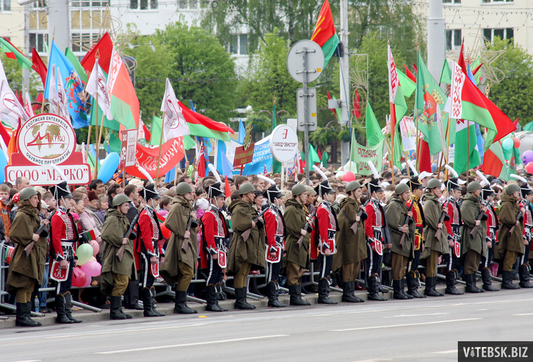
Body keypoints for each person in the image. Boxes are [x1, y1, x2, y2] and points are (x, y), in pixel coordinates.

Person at [6, 187, 47, 327]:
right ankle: (22, 317)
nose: (37, 200)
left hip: (33, 254)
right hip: (24, 255)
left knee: (29, 286)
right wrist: (31, 236)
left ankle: (27, 315)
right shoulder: (22, 214)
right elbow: (14, 234)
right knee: (23, 285)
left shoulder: (32, 214)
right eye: (35, 198)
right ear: (27, 199)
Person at [160, 182, 199, 314]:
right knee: (187, 272)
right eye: (189, 192)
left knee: (187, 273)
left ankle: (181, 303)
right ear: (183, 193)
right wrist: (182, 233)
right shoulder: (177, 206)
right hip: (180, 243)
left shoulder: (187, 206)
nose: (191, 194)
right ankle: (180, 304)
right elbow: (169, 223)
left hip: (189, 242)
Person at [227, 183, 265, 310]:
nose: (254, 195)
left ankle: (243, 299)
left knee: (245, 271)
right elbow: (238, 225)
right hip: (242, 242)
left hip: (250, 242)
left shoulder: (248, 207)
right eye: (252, 193)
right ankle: (240, 300)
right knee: (241, 272)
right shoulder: (239, 208)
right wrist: (252, 223)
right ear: (244, 194)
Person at [49, 181, 82, 323]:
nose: (70, 201)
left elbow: (72, 238)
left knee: (68, 284)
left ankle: (67, 313)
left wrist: (73, 255)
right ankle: (61, 314)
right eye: (68, 199)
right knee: (60, 284)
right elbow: (56, 239)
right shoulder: (57, 216)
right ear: (61, 199)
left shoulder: (67, 215)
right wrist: (60, 257)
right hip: (61, 253)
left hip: (69, 251)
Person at [100, 194, 137, 319]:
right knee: (121, 281)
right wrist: (121, 240)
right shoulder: (113, 218)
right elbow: (106, 234)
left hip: (124, 252)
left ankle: (118, 309)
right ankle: (115, 310)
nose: (128, 208)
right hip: (116, 253)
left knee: (123, 281)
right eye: (125, 205)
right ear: (118, 206)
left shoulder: (122, 217)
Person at [332, 180, 366, 303]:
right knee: (349, 267)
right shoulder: (348, 205)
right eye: (358, 191)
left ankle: (351, 292)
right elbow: (342, 225)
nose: (360, 193)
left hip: (356, 241)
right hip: (349, 241)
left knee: (354, 267)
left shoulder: (355, 204)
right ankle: (347, 293)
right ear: (351, 192)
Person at [135, 184, 165, 317]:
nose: (158, 202)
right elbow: (146, 237)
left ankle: (151, 306)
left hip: (154, 248)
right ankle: (148, 308)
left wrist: (160, 252)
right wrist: (152, 253)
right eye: (156, 199)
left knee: (152, 278)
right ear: (149, 200)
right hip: (148, 250)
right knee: (148, 279)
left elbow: (156, 236)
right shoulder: (145, 215)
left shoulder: (151, 213)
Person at [200, 182, 229, 312]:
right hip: (215, 247)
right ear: (213, 200)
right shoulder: (209, 214)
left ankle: (215, 300)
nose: (223, 201)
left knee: (218, 275)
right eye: (220, 198)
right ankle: (211, 302)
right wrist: (213, 250)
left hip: (220, 246)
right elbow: (209, 235)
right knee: (212, 274)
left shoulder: (217, 213)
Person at [283, 184, 311, 306]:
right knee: (293, 271)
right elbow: (289, 226)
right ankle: (295, 298)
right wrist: (300, 230)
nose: (306, 197)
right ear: (298, 195)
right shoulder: (291, 209)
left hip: (301, 243)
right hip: (294, 243)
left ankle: (297, 296)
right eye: (304, 194)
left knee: (298, 271)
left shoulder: (300, 208)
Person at [386, 183, 415, 300]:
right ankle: (398, 291)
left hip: (403, 240)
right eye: (406, 193)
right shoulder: (393, 205)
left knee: (403, 267)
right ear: (400, 194)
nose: (409, 195)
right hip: (397, 240)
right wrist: (399, 228)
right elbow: (390, 222)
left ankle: (401, 290)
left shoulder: (403, 205)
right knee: (397, 267)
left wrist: (410, 217)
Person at [313, 179, 338, 304]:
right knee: (324, 269)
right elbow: (323, 229)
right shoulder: (322, 208)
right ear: (324, 195)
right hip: (326, 241)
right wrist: (325, 245)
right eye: (330, 193)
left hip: (330, 240)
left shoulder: (327, 207)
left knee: (328, 268)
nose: (333, 195)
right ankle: (322, 294)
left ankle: (325, 293)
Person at [422, 178, 448, 297]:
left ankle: (432, 286)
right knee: (431, 263)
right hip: (432, 235)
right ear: (432, 189)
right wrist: (436, 225)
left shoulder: (435, 202)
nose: (440, 191)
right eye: (438, 189)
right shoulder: (429, 202)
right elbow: (428, 218)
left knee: (434, 263)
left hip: (436, 234)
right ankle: (429, 287)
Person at [364, 178, 389, 301]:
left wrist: (382, 240)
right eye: (379, 193)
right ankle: (372, 290)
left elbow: (381, 225)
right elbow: (368, 225)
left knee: (378, 263)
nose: (381, 195)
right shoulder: (370, 206)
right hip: (373, 236)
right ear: (373, 193)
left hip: (378, 236)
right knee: (372, 264)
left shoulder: (377, 205)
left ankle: (376, 286)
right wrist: (372, 240)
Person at [262, 179, 286, 308]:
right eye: (279, 198)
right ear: (274, 199)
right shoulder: (270, 213)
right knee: (272, 272)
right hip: (273, 245)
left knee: (276, 272)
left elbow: (281, 232)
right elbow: (270, 232)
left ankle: (275, 295)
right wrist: (272, 247)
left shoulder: (276, 211)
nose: (282, 200)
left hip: (279, 244)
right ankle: (272, 297)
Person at [495, 183, 524, 289]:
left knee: (512, 257)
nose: (518, 193)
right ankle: (506, 281)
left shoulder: (513, 203)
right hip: (509, 234)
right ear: (512, 193)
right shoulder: (507, 204)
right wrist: (515, 220)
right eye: (516, 191)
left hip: (514, 234)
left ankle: (508, 280)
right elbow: (507, 218)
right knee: (509, 257)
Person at [460, 181, 487, 293]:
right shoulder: (467, 203)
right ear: (473, 190)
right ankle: (470, 285)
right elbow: (467, 218)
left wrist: (481, 211)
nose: (480, 191)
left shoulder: (475, 202)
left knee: (475, 260)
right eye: (478, 189)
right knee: (471, 259)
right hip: (471, 233)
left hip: (478, 234)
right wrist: (474, 221)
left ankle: (473, 284)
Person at [405, 177, 426, 298]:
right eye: (419, 189)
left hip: (419, 237)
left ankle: (414, 288)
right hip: (413, 238)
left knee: (416, 263)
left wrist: (422, 239)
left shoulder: (417, 203)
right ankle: (411, 288)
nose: (422, 191)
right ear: (414, 190)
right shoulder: (411, 203)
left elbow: (421, 224)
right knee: (411, 264)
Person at [480, 185, 499, 291]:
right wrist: (488, 239)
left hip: (492, 234)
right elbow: (486, 224)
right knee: (486, 259)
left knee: (489, 258)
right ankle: (486, 282)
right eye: (491, 196)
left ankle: (488, 281)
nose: (493, 198)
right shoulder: (485, 207)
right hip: (488, 235)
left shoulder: (490, 206)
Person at [518, 182, 533, 288]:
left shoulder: (527, 205)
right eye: (529, 194)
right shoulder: (521, 206)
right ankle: (523, 279)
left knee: (526, 257)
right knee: (523, 257)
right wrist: (523, 236)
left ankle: (525, 277)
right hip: (524, 233)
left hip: (529, 232)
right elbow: (522, 223)